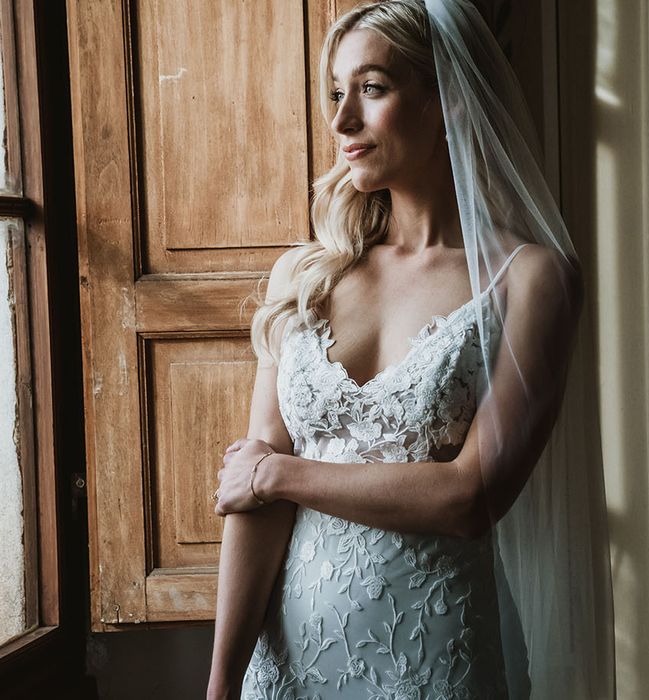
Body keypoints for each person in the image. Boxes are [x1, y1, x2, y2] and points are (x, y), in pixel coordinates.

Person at [207, 2, 614, 699]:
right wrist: (220, 685)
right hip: (288, 662)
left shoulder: (530, 281)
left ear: (447, 99)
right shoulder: (304, 277)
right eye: (336, 93)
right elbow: (254, 505)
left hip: (434, 657)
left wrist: (280, 475)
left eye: (372, 88)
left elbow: (470, 496)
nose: (341, 123)